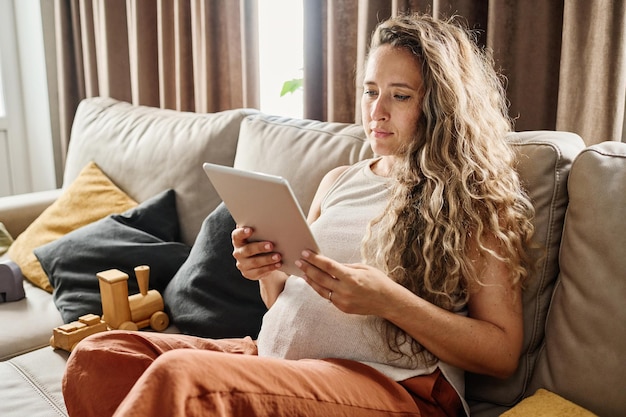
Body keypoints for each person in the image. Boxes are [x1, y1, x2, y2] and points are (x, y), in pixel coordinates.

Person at [62, 12, 535, 417]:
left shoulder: (472, 199)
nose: (377, 111)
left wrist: (388, 300)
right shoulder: (339, 180)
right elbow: (287, 301)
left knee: (179, 375)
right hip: (279, 361)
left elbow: (501, 352)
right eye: (371, 91)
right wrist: (266, 273)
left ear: (441, 106)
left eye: (400, 95)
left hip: (392, 386)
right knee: (100, 354)